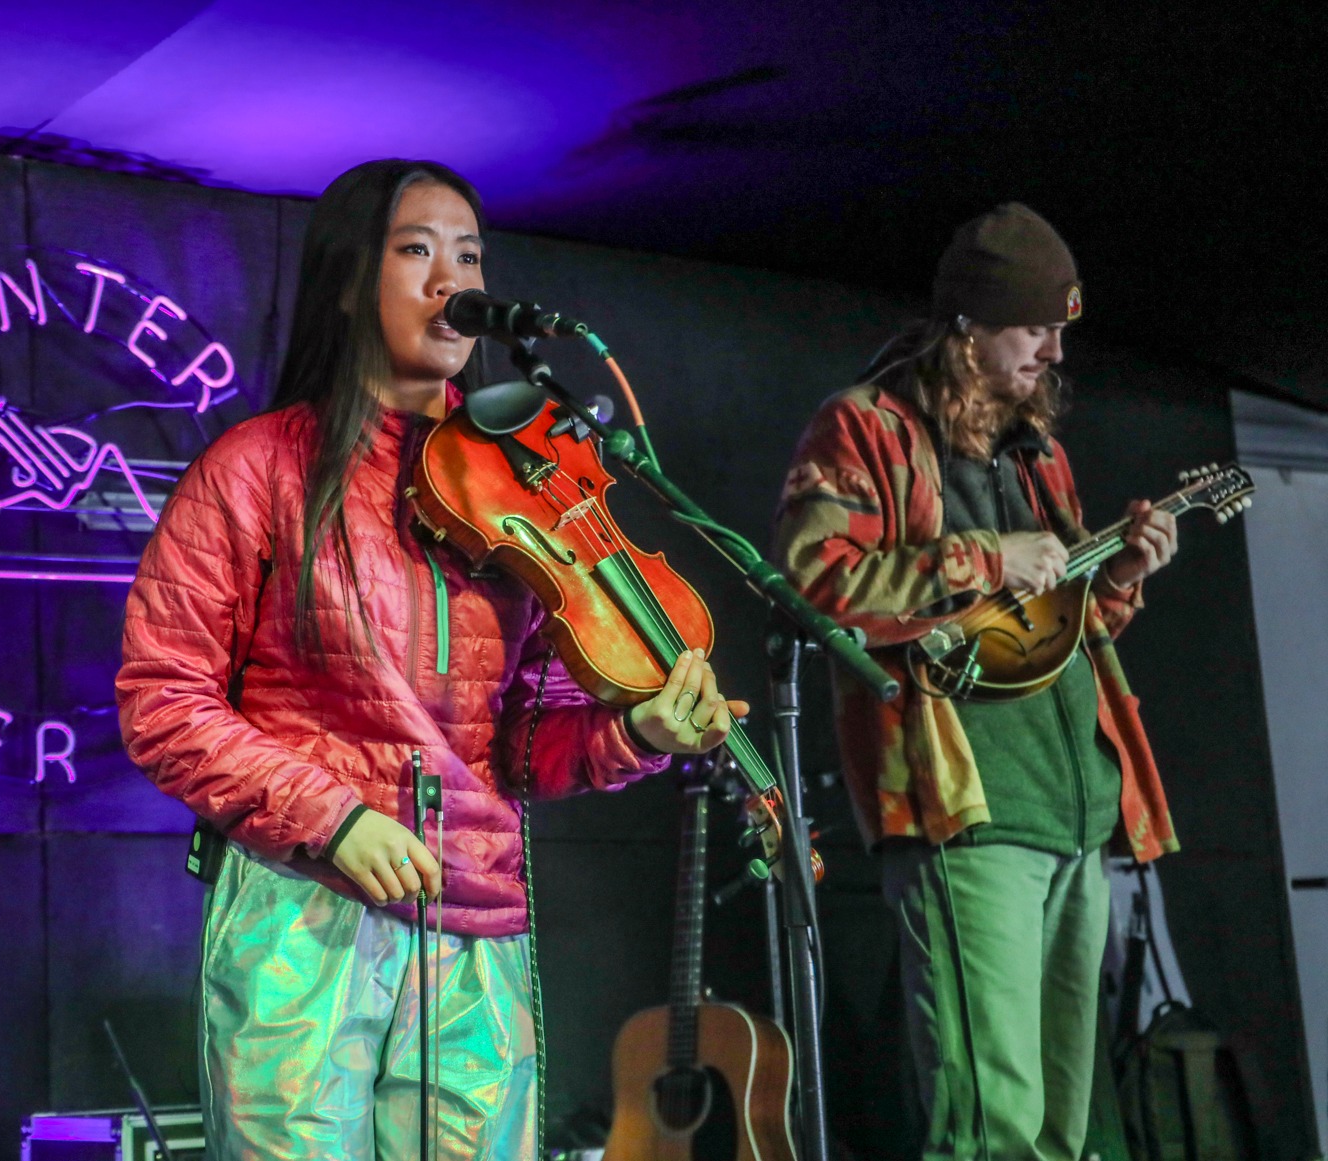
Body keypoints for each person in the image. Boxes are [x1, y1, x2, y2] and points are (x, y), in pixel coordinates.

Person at [116, 158, 743, 1161]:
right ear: (345, 280)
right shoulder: (256, 469)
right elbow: (163, 701)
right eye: (416, 251)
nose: (451, 279)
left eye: (468, 254)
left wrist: (635, 733)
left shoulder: (520, 488)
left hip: (478, 922)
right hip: (304, 909)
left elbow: (526, 739)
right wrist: (331, 818)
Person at [771, 203, 1180, 1160]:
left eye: (1059, 332)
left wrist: (1113, 578)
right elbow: (812, 579)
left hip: (1073, 808)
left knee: (1061, 1129)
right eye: (1033, 330)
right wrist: (980, 559)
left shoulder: (1039, 450)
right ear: (967, 328)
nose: (1053, 353)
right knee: (990, 1123)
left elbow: (1063, 622)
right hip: (967, 814)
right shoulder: (864, 425)